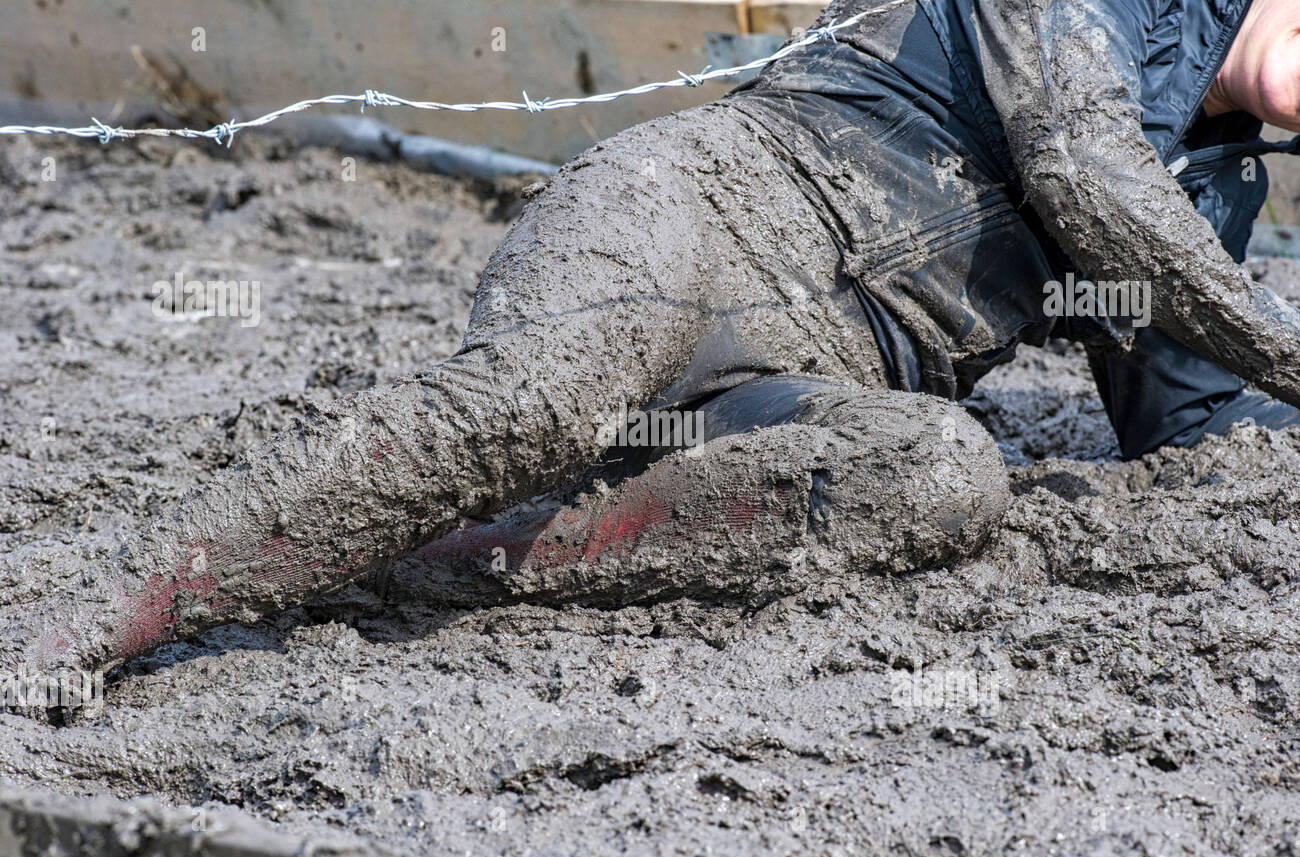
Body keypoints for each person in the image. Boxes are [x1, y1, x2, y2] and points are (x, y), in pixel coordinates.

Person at [20, 0, 1300, 679]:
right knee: (528, 403)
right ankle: (96, 614)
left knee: (948, 475)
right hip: (689, 222)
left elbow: (1191, 417)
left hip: (806, 381)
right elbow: (1081, 167)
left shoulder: (1217, 176)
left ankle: (441, 559)